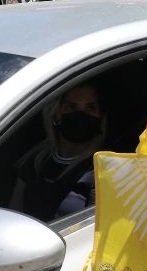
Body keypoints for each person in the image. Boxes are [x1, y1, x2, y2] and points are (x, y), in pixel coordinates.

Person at [8, 83, 107, 222]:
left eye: (90, 107)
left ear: (100, 116)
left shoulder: (103, 168)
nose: (80, 114)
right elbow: (13, 213)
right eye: (71, 107)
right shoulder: (36, 159)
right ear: (55, 114)